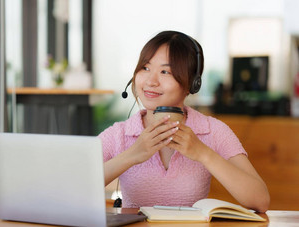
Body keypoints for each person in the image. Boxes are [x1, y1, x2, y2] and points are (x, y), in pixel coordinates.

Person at [98, 31, 270, 212]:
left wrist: (203, 153)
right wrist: (132, 154)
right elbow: (72, 189)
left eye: (165, 71)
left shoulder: (213, 131)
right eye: (145, 68)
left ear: (192, 84)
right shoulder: (119, 133)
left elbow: (260, 200)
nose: (151, 81)